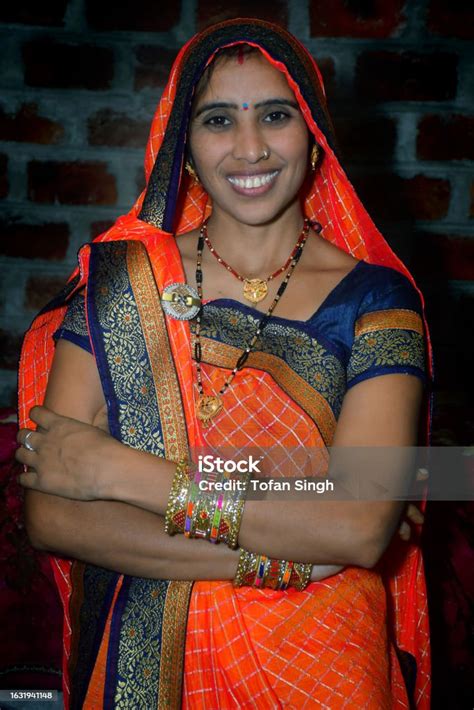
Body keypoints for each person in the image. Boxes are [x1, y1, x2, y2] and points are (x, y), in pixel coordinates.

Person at [15, 18, 432, 710]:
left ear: (315, 136)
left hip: (321, 665)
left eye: (275, 115)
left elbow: (359, 524)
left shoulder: (378, 302)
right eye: (217, 120)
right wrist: (286, 554)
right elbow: (52, 515)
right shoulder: (123, 285)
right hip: (145, 668)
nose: (249, 148)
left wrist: (126, 474)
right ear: (183, 145)